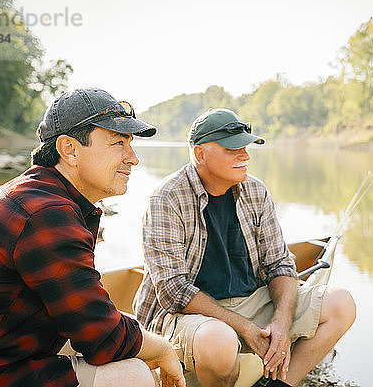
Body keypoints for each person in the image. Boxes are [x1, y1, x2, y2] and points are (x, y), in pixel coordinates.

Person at [0, 88, 186, 387]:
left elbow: (86, 313)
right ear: (69, 150)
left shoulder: (38, 194)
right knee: (131, 376)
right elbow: (103, 337)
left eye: (130, 144)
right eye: (118, 143)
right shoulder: (46, 213)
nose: (132, 158)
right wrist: (164, 349)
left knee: (128, 348)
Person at [133, 108, 356, 387]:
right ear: (199, 155)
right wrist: (245, 329)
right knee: (218, 340)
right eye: (232, 149)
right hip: (185, 315)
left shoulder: (256, 191)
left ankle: (280, 384)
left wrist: (281, 323)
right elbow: (173, 291)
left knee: (341, 303)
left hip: (250, 301)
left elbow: (280, 265)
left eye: (246, 147)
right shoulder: (166, 199)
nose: (246, 156)